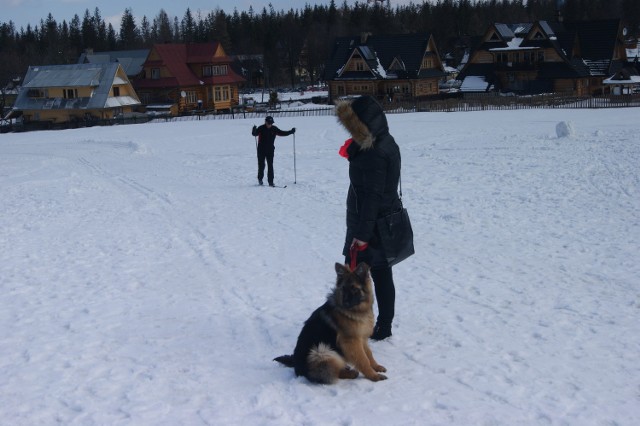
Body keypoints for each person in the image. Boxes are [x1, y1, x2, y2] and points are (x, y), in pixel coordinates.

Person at [335, 95, 401, 341]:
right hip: (377, 221)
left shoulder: (374, 153)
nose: (351, 132)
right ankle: (380, 324)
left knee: (352, 276)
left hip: (370, 225)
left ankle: (358, 324)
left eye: (354, 125)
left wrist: (361, 236)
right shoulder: (384, 141)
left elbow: (372, 197)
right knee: (381, 275)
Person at [251, 116, 295, 186]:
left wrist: (291, 132)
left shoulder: (274, 129)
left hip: (270, 150)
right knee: (261, 165)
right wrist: (254, 130)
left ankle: (270, 181)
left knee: (270, 165)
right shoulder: (261, 128)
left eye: (271, 123)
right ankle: (260, 179)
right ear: (265, 122)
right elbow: (254, 134)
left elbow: (282, 133)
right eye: (268, 123)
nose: (270, 125)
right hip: (261, 150)